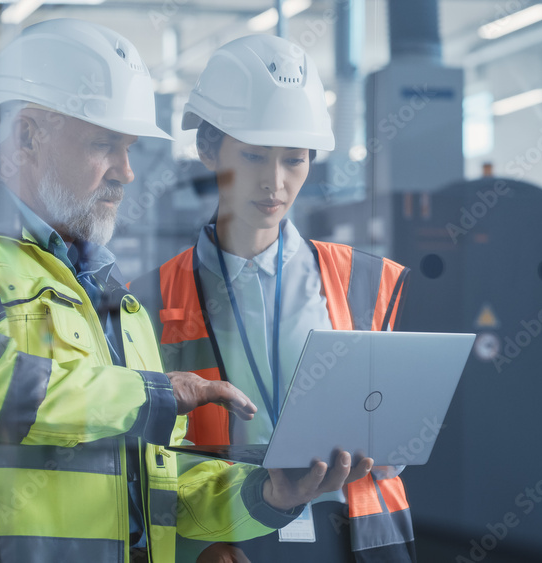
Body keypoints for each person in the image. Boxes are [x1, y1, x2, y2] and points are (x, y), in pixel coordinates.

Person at [0, 19, 370, 563]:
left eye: (128, 149)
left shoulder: (115, 301)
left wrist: (264, 495)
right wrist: (155, 394)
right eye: (104, 145)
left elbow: (158, 489)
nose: (126, 172)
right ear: (27, 136)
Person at [130, 34, 415, 563]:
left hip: (353, 539)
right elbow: (145, 454)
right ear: (208, 150)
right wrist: (203, 543)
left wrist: (400, 438)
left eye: (295, 159)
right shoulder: (144, 300)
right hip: (230, 540)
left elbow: (392, 425)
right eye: (256, 156)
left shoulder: (366, 281)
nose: (275, 182)